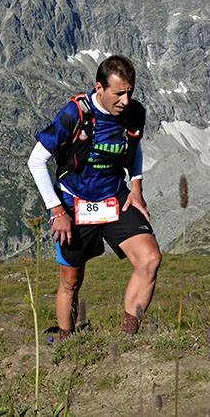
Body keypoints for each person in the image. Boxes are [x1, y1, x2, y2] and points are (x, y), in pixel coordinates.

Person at [27, 55, 161, 337]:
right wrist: (57, 211)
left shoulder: (134, 112)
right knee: (71, 282)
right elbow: (36, 160)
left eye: (129, 92)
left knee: (149, 259)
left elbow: (133, 148)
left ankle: (127, 337)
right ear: (99, 88)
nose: (125, 101)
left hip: (114, 197)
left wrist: (136, 183)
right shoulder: (75, 113)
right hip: (74, 204)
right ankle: (67, 341)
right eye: (119, 93)